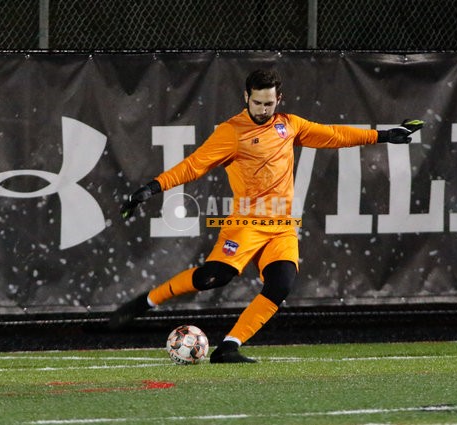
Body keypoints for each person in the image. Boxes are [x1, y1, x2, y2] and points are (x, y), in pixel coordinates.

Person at [110, 69, 423, 363]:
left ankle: (229, 347)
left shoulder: (290, 125)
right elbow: (193, 166)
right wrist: (150, 188)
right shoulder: (231, 132)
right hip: (245, 224)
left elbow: (333, 135)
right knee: (213, 278)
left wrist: (383, 135)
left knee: (281, 284)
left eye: (269, 103)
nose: (262, 109)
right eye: (257, 102)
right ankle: (146, 301)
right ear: (246, 96)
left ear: (279, 99)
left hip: (281, 226)